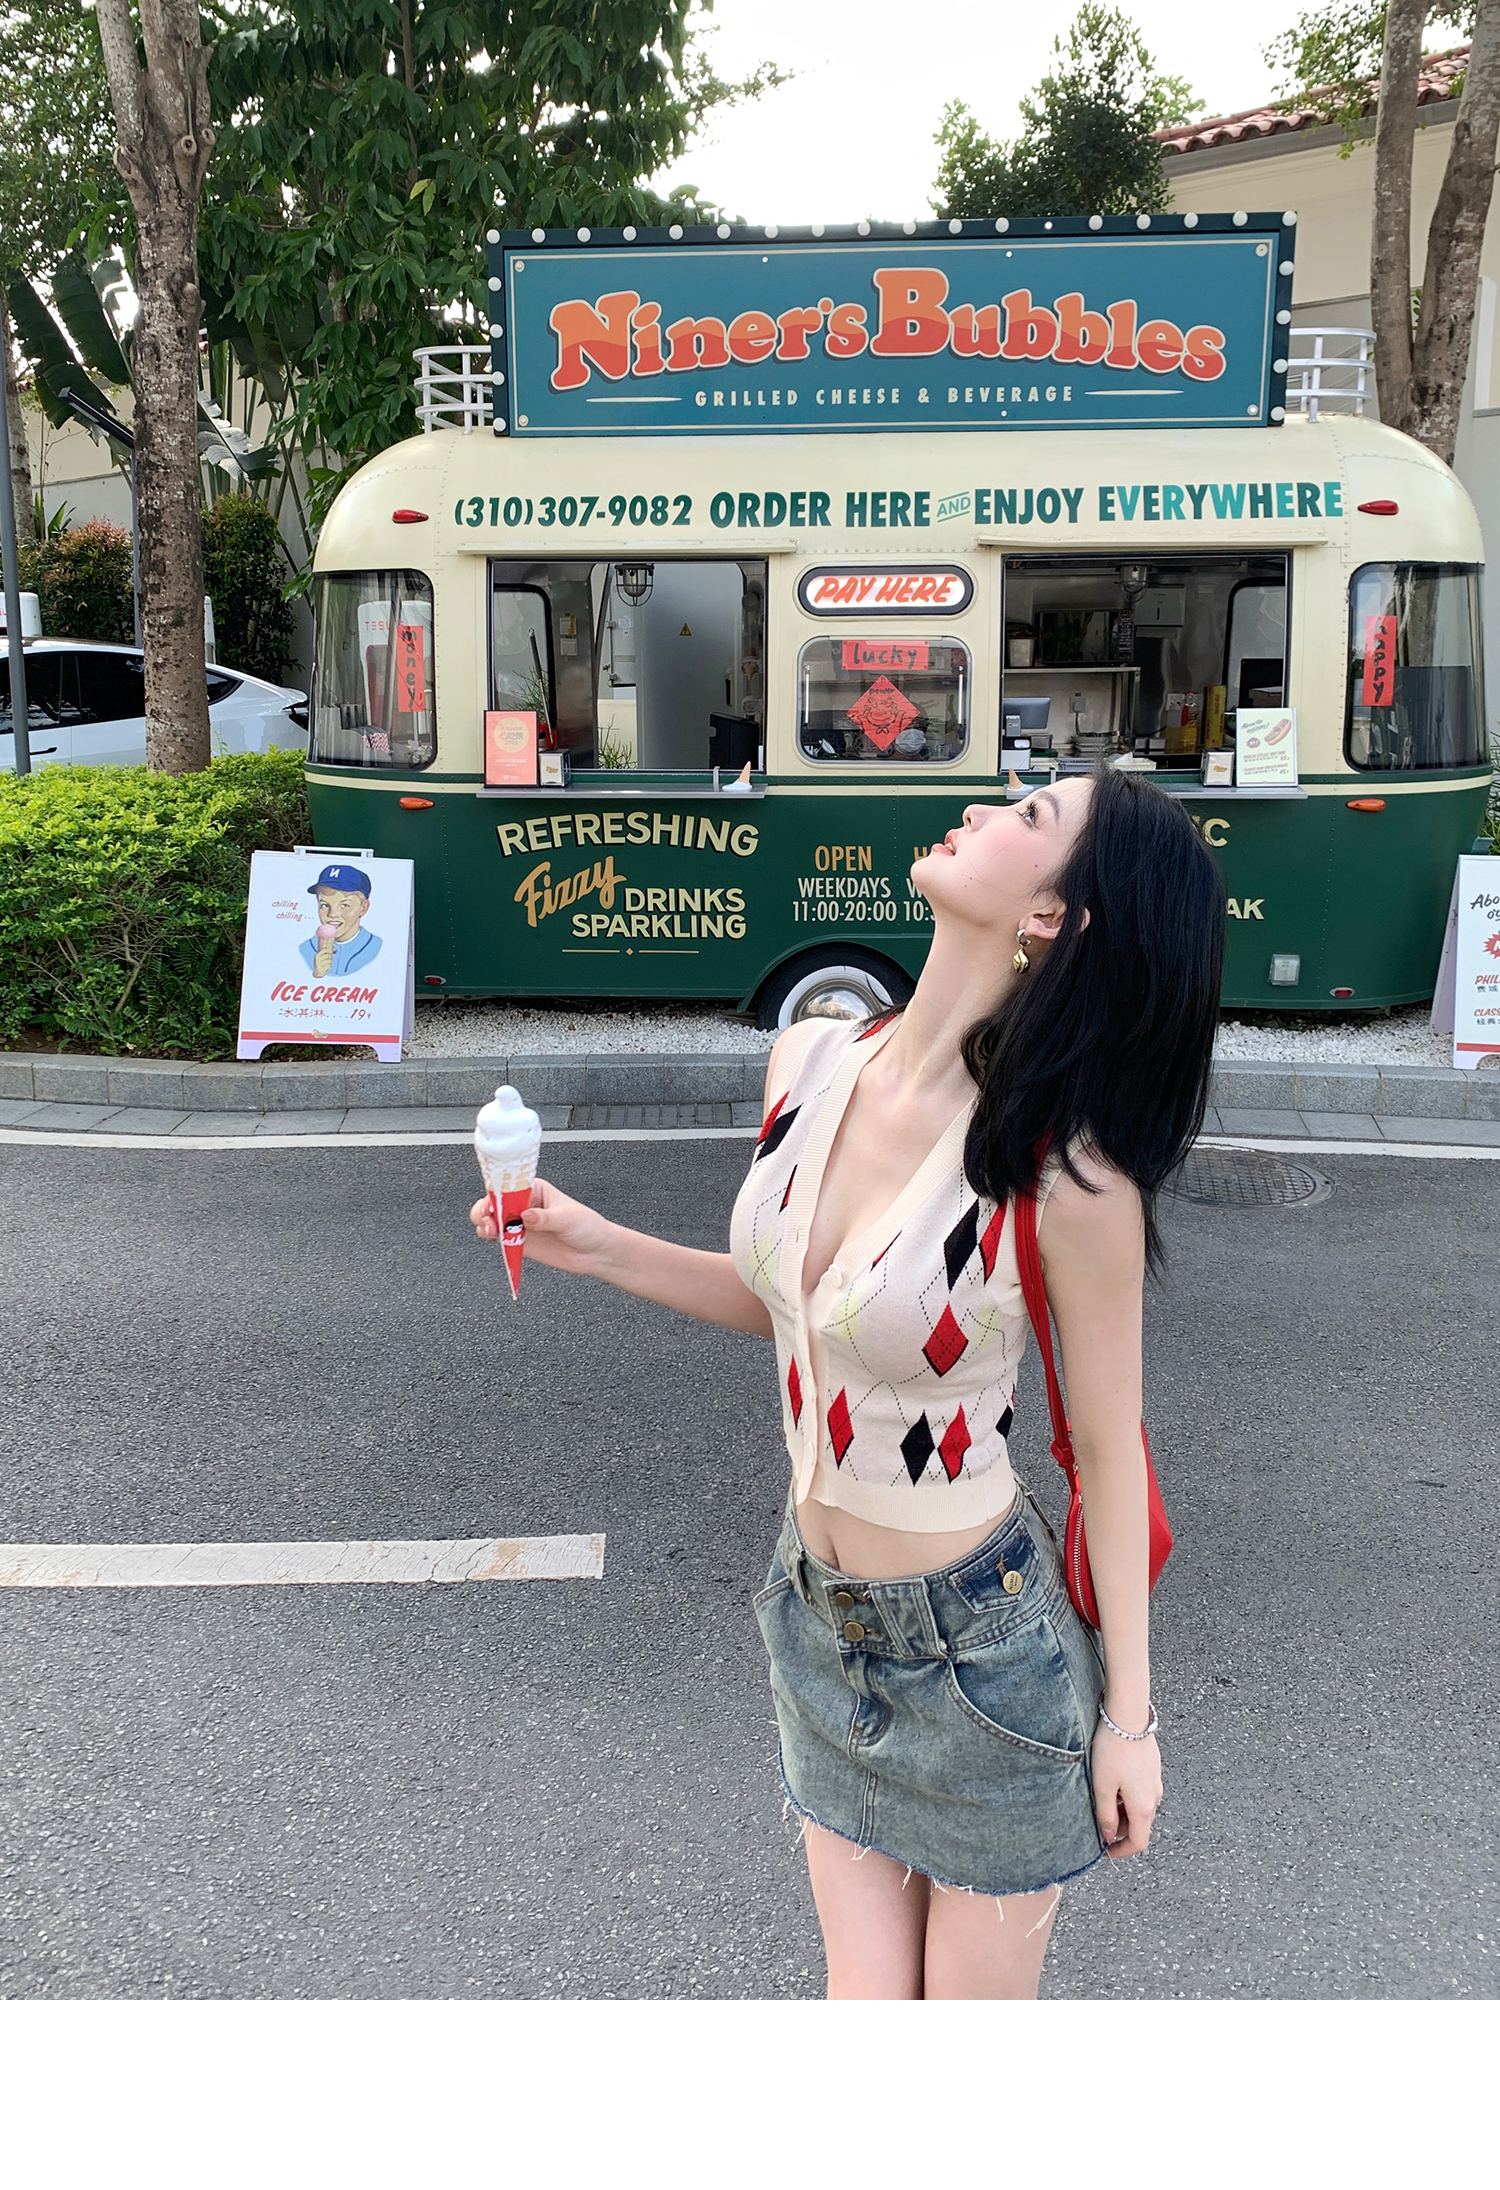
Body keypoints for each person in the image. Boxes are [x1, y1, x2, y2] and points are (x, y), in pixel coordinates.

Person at [470, 767, 1225, 1998]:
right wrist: (591, 1242)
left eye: (1030, 816)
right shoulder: (811, 1058)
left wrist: (1130, 1722)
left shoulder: (1066, 1175)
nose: (985, 808)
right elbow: (798, 1314)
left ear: (1054, 916)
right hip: (817, 1622)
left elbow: (1110, 1447)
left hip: (986, 1658)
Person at [299, 863, 383, 978]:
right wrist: (316, 975)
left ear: (363, 908)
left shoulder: (377, 947)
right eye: (324, 905)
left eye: (344, 905)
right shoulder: (305, 949)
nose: (332, 914)